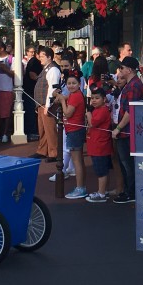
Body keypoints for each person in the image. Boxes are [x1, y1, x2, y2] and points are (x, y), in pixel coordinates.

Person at [111, 56, 143, 203]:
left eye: (122, 68)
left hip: (127, 131)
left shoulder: (134, 85)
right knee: (125, 163)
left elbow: (131, 110)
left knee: (128, 164)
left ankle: (131, 192)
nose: (120, 70)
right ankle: (127, 190)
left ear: (129, 69)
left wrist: (118, 128)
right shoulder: (130, 84)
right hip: (124, 130)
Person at [54, 69, 87, 199]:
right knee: (79, 160)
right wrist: (60, 97)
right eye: (69, 83)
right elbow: (65, 97)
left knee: (77, 161)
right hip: (75, 130)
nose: (71, 85)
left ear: (79, 84)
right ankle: (81, 186)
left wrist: (62, 101)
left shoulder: (76, 96)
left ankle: (80, 188)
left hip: (74, 131)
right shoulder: (76, 94)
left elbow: (68, 113)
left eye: (74, 83)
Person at [30, 46, 61, 162]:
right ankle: (42, 150)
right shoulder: (46, 68)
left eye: (42, 56)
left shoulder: (53, 70)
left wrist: (48, 105)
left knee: (50, 129)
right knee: (42, 129)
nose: (40, 58)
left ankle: (54, 152)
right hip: (41, 103)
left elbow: (52, 90)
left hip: (47, 104)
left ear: (49, 57)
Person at [85, 88, 113, 203]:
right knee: (101, 169)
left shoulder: (102, 110)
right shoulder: (98, 109)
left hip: (100, 145)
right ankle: (103, 190)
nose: (94, 101)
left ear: (104, 99)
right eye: (92, 98)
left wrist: (87, 114)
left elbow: (92, 123)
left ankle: (101, 194)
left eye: (97, 98)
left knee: (101, 171)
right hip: (96, 144)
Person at [0, 41, 14, 143]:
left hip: (7, 89)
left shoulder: (11, 59)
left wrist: (5, 69)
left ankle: (5, 134)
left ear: (2, 49)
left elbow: (15, 74)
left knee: (6, 114)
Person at [23, 45, 42, 141]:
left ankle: (33, 131)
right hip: (29, 91)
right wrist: (43, 80)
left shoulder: (36, 62)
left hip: (32, 91)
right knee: (30, 111)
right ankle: (31, 132)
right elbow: (32, 75)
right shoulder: (34, 62)